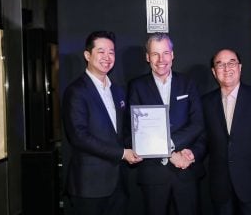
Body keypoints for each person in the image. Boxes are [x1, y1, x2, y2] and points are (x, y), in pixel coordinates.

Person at [62, 31, 142, 215]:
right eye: (101, 51)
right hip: (89, 186)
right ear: (87, 55)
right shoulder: (76, 92)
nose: (107, 57)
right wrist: (122, 153)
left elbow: (122, 131)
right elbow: (79, 137)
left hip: (118, 185)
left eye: (111, 52)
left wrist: (142, 145)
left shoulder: (118, 91)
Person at [127, 32, 206, 215]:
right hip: (154, 174)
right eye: (155, 54)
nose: (161, 59)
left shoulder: (188, 84)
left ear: (173, 55)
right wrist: (170, 154)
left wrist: (173, 146)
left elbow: (198, 123)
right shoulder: (137, 86)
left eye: (165, 53)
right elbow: (134, 130)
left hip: (186, 170)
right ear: (147, 57)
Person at [203, 49, 251, 215]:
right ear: (213, 72)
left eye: (231, 63)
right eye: (220, 64)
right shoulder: (206, 102)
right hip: (220, 187)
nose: (226, 68)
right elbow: (203, 140)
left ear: (240, 67)